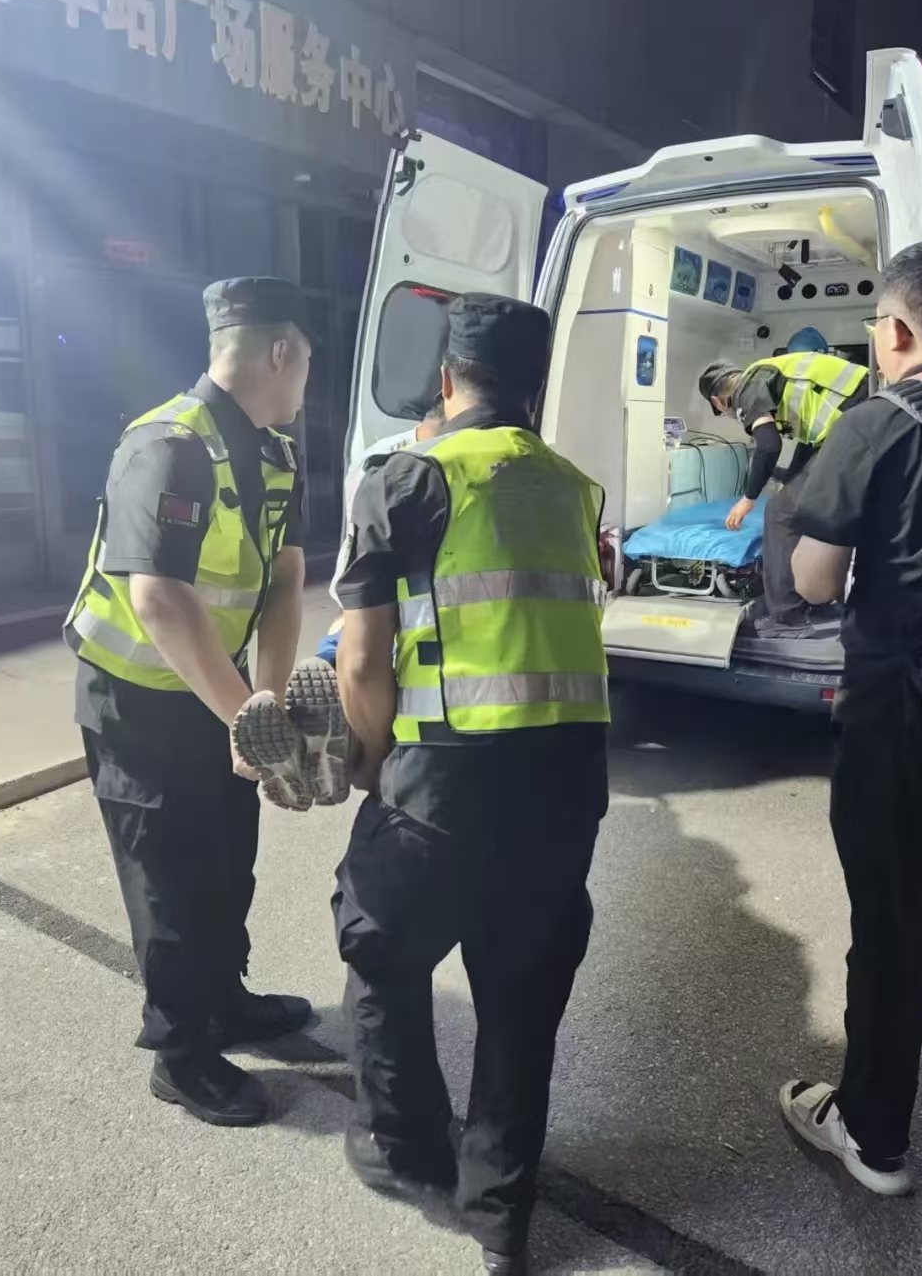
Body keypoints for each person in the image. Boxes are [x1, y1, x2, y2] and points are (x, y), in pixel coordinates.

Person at [332, 293, 609, 1273]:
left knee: (380, 945)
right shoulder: (576, 488)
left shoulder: (405, 479)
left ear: (447, 378)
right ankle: (501, 1218)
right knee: (522, 996)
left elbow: (361, 661)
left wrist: (371, 760)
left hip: (443, 785)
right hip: (567, 788)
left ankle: (404, 1148)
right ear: (536, 383)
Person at [778, 236, 922, 1195]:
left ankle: (875, 1139)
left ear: (900, 331)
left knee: (890, 930)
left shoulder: (875, 424)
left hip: (899, 729)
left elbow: (812, 578)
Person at [64, 276, 315, 1127]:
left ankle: (223, 999)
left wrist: (263, 706)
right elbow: (159, 598)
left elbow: (284, 582)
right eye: (305, 363)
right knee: (168, 882)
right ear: (279, 352)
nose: (305, 382)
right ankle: (180, 1053)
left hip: (214, 692)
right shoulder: (167, 445)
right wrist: (245, 713)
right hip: (136, 703)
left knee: (226, 858)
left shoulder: (276, 455)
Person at [698, 345, 868, 636]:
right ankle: (817, 601)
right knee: (798, 501)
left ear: (718, 401)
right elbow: (809, 442)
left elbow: (768, 446)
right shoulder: (771, 374)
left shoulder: (746, 389)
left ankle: (788, 616)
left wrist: (748, 498)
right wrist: (789, 478)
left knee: (779, 513)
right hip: (862, 419)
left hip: (853, 428)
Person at [317, 396, 446, 666]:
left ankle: (329, 658)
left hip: (369, 568)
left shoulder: (378, 456)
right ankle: (331, 659)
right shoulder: (421, 459)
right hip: (402, 571)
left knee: (355, 630)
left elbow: (356, 539)